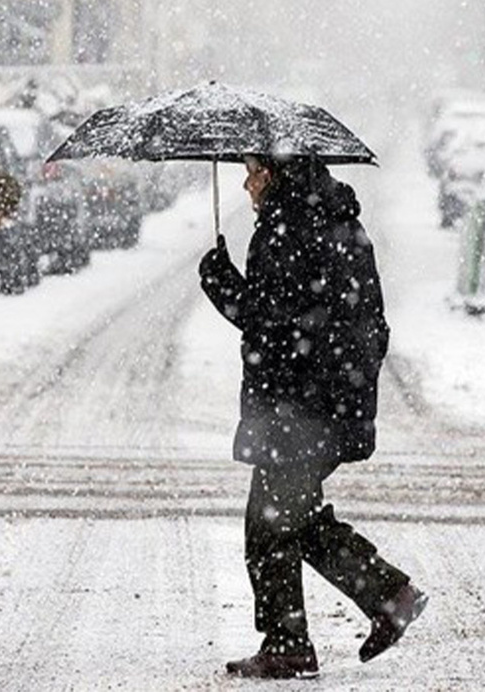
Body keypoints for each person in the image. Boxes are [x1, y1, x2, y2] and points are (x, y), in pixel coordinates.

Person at [199, 155, 427, 680]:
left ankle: (300, 638)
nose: (247, 182)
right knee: (290, 518)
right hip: (331, 401)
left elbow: (269, 323)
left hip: (299, 407)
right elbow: (361, 320)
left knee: (272, 524)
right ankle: (379, 599)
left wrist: (221, 283)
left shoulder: (286, 229)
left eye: (254, 170)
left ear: (277, 174)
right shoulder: (339, 222)